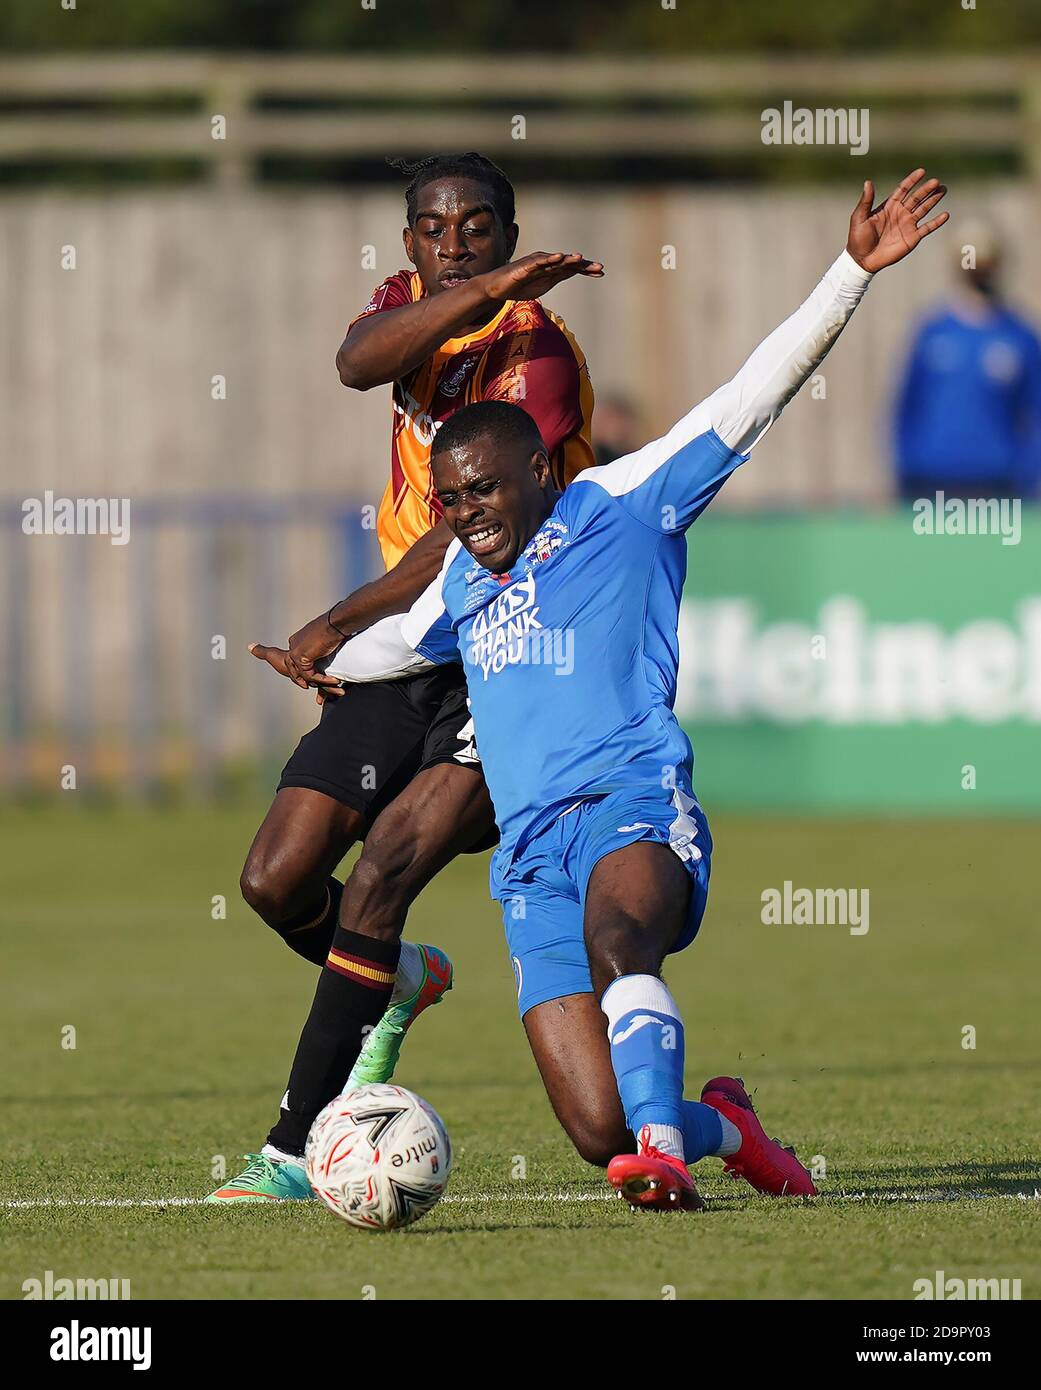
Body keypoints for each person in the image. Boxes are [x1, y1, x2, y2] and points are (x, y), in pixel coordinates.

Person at [327, 169, 949, 1210]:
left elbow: (756, 393)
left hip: (630, 804)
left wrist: (851, 272)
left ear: (540, 470)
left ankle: (664, 1151)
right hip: (530, 859)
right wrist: (323, 656)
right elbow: (395, 646)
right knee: (593, 1127)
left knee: (625, 945)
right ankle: (715, 1127)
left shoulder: (621, 506)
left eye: (485, 490)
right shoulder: (463, 585)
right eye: (451, 499)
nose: (468, 514)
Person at [207, 153, 602, 1202]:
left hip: (503, 652)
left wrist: (338, 618)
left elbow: (471, 529)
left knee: (383, 870)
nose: (457, 239)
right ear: (411, 245)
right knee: (274, 879)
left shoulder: (541, 355)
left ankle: (292, 1151)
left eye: (480, 225)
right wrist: (468, 297)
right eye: (436, 227)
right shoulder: (414, 309)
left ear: (510, 233)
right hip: (403, 654)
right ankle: (403, 976)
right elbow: (353, 361)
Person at [893, 217, 1041, 501]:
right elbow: (905, 406)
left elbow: (1035, 411)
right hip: (930, 480)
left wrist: (1026, 471)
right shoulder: (932, 333)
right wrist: (907, 464)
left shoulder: (1020, 336)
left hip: (999, 483)